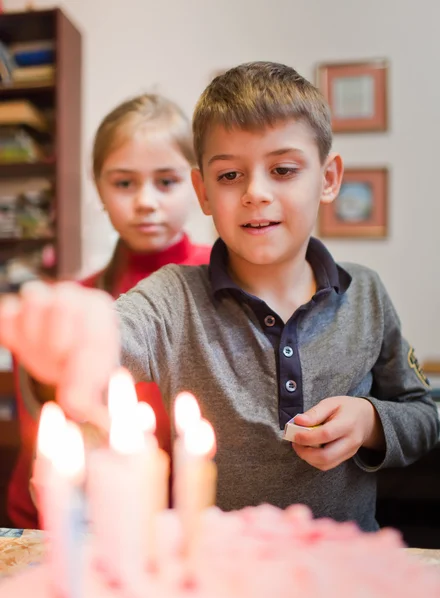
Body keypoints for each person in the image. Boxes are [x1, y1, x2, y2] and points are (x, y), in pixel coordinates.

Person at [1, 62, 438, 531]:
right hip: (218, 572)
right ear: (203, 191)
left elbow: (423, 414)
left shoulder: (366, 293)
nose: (256, 193)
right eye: (230, 176)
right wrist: (76, 337)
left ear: (329, 178)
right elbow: (115, 331)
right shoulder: (174, 297)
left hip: (347, 568)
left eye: (283, 169)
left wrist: (371, 422)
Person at [6, 93, 211, 529]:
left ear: (197, 185)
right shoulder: (78, 303)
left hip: (199, 524)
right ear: (99, 188)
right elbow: (44, 431)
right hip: (90, 525)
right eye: (124, 183)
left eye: (166, 181)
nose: (145, 201)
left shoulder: (223, 280)